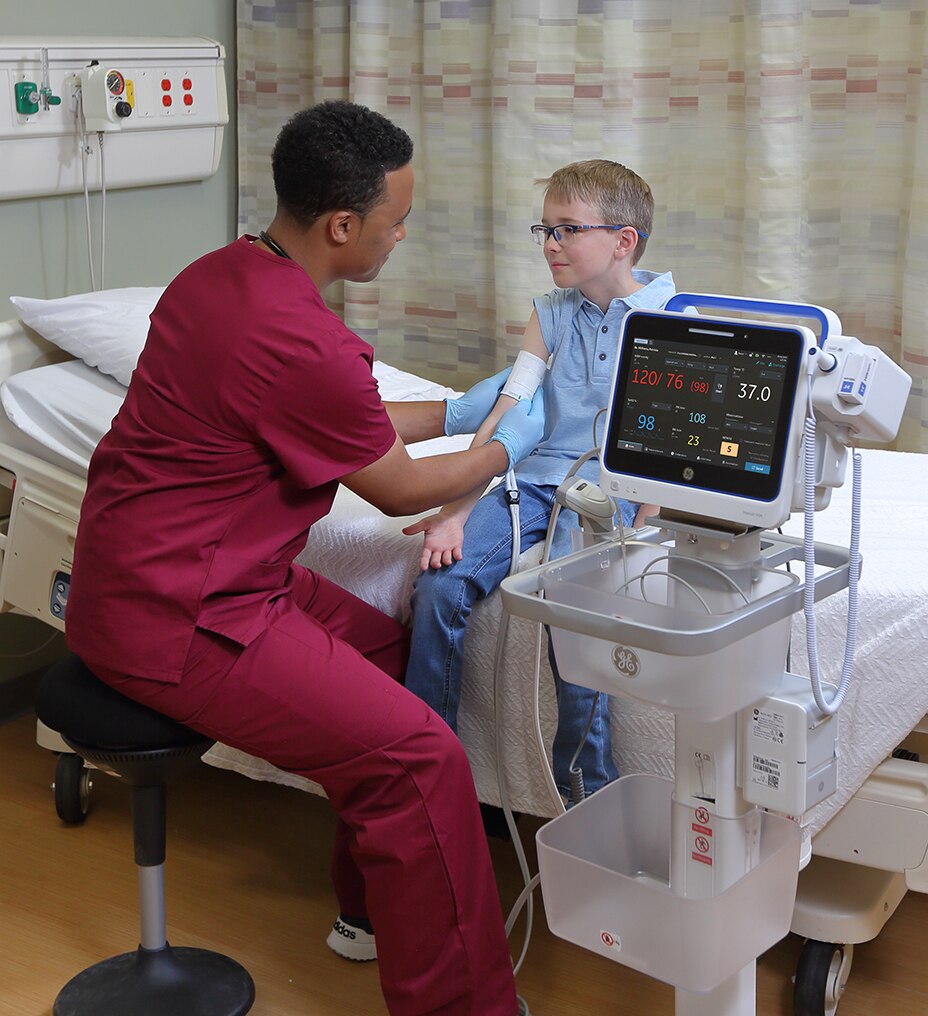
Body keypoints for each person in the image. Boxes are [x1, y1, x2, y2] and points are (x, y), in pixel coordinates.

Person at [64, 100, 541, 1016]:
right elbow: (398, 489)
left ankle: (374, 911)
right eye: (397, 220)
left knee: (396, 661)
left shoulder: (217, 278)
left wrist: (457, 412)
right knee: (420, 758)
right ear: (343, 226)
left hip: (163, 582)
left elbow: (336, 417)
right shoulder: (300, 338)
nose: (402, 235)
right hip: (182, 620)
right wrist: (512, 444)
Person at [403, 159, 674, 803]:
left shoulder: (668, 314)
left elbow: (665, 438)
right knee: (439, 586)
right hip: (534, 483)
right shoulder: (549, 314)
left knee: (572, 616)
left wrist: (645, 526)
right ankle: (427, 771)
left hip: (609, 495)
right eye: (545, 229)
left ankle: (587, 791)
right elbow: (508, 411)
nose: (551, 244)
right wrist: (454, 513)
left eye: (568, 229)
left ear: (624, 240)